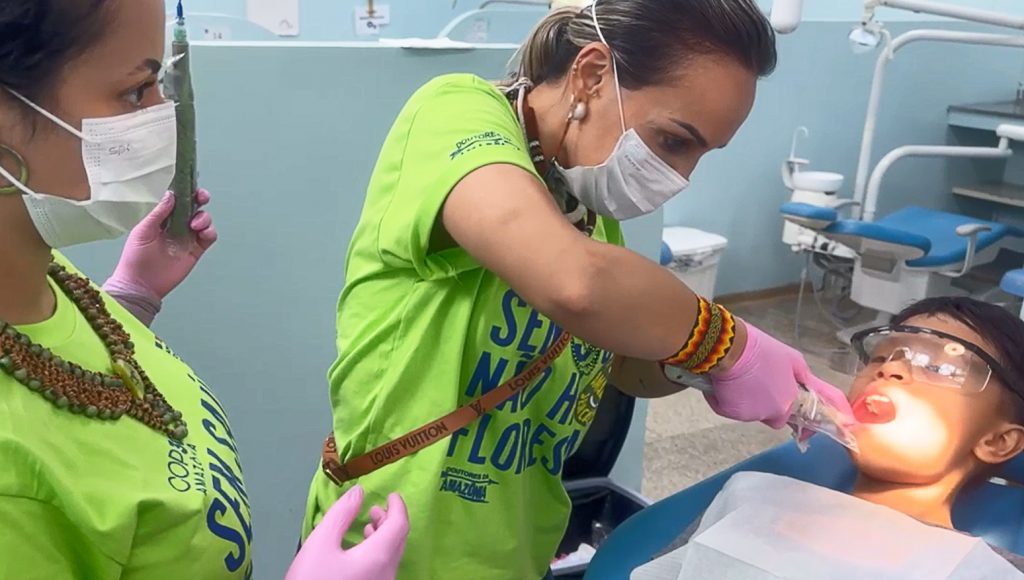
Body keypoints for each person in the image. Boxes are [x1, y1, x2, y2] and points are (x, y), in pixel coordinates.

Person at [301, 1, 853, 578]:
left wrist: (702, 371)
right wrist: (727, 343)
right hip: (390, 547)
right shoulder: (455, 112)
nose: (682, 176)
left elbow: (621, 367)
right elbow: (575, 283)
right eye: (673, 141)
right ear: (590, 75)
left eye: (700, 154)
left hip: (517, 549)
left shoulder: (589, 211)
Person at [0, 1, 408, 578]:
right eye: (135, 92)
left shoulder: (38, 274)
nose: (164, 115)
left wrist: (130, 299)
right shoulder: (12, 489)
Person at [640, 297, 1024, 577]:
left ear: (998, 442)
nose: (889, 370)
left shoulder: (990, 571)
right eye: (881, 357)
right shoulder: (748, 499)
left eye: (937, 366)